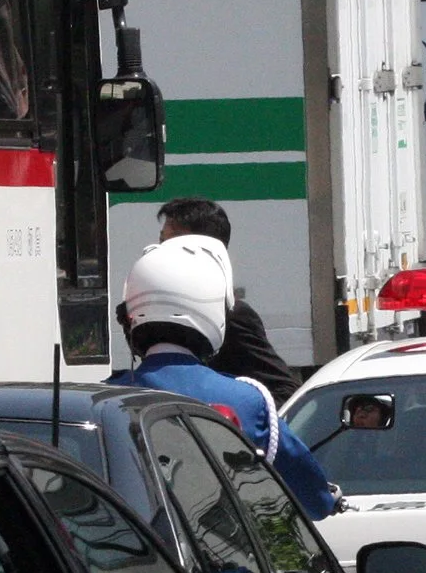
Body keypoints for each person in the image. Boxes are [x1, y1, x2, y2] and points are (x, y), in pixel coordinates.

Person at [118, 237, 342, 520]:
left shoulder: (98, 399)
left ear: (130, 315)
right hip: (220, 559)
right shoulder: (246, 400)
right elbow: (315, 502)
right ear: (214, 309)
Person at [151, 197, 299, 401]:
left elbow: (285, 391)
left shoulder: (231, 313)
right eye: (162, 240)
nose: (163, 249)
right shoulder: (152, 307)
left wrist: (228, 418)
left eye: (174, 240)